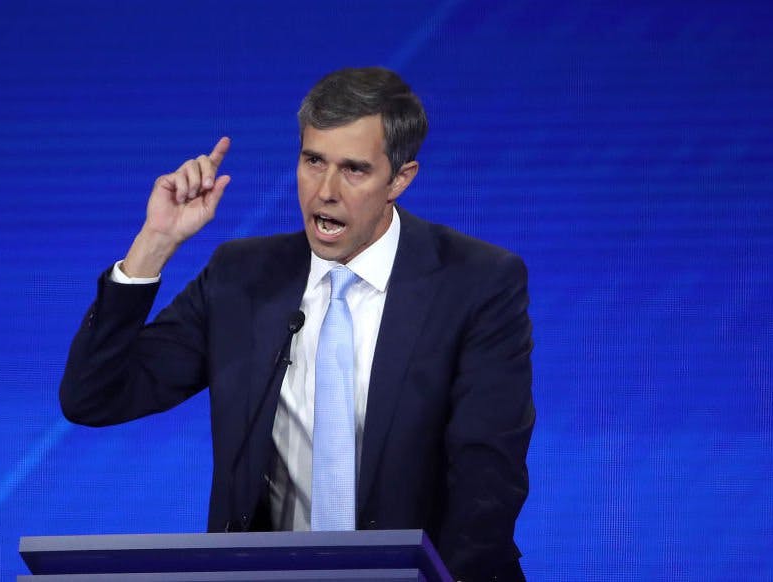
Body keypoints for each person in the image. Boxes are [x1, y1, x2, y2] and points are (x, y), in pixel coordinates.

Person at [60, 67, 534, 581]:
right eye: (313, 161)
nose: (325, 191)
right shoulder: (243, 277)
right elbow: (95, 397)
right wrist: (155, 243)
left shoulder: (475, 282)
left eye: (354, 170)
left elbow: (486, 484)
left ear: (400, 178)